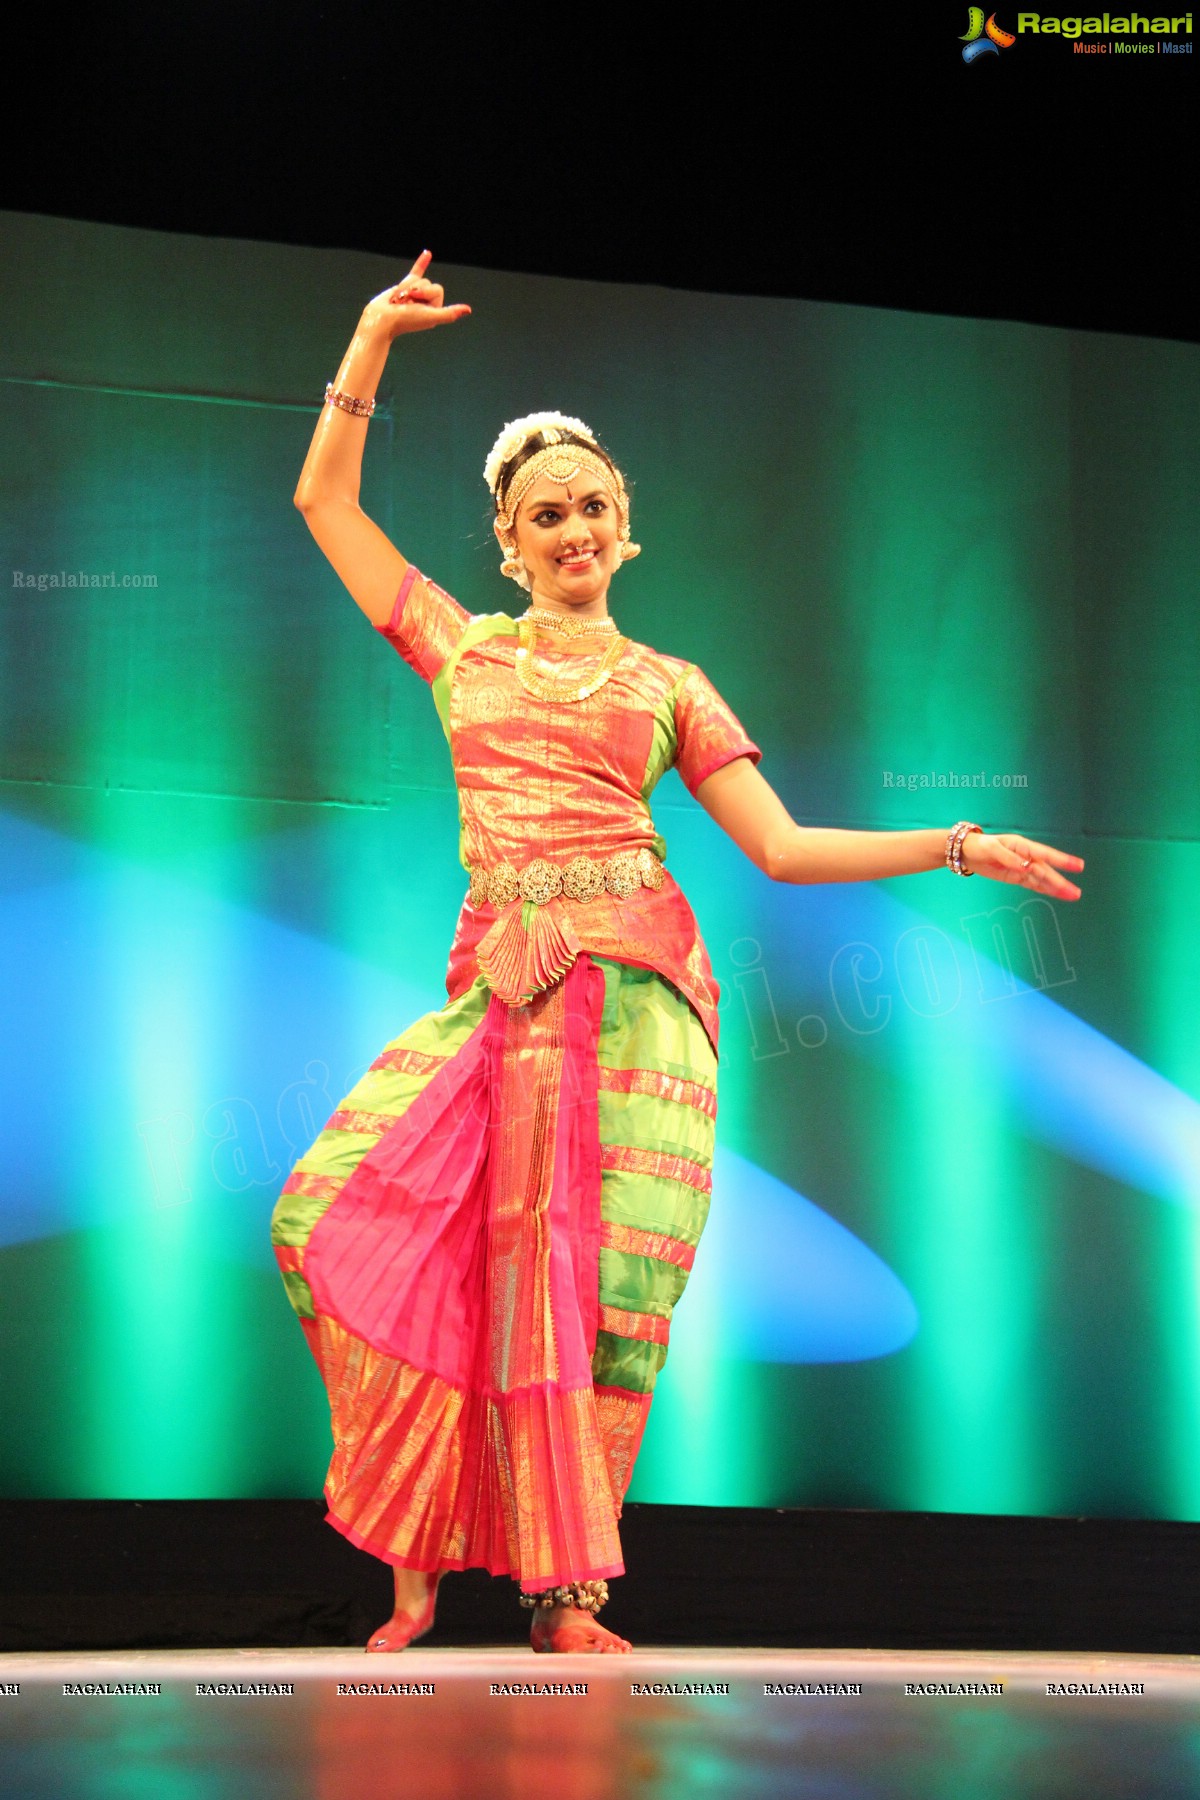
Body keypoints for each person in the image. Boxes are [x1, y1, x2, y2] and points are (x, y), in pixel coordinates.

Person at [270, 252, 1086, 1657]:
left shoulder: (672, 686)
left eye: (594, 506)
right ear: (509, 546)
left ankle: (566, 1596)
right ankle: (412, 1554)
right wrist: (367, 341)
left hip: (639, 1007)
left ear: (625, 529)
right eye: (546, 515)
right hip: (503, 994)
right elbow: (325, 506)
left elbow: (779, 848)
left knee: (594, 1291)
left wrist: (956, 844)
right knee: (363, 1220)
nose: (574, 527)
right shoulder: (463, 652)